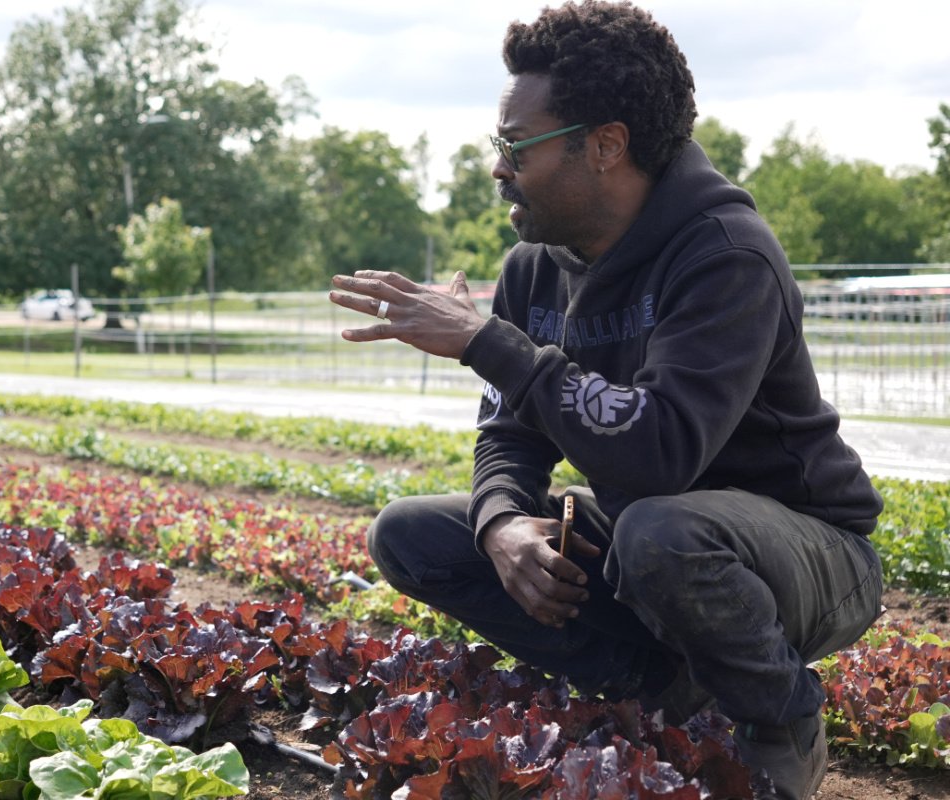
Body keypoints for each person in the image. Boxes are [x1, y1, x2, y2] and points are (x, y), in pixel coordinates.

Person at [327, 2, 883, 798]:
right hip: (655, 535)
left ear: (606, 144)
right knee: (411, 536)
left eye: (516, 145)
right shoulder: (533, 267)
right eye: (499, 144)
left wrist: (488, 341)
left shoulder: (725, 255)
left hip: (808, 555)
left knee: (662, 531)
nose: (498, 168)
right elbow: (509, 436)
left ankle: (780, 715)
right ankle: (663, 688)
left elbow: (659, 453)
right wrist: (502, 523)